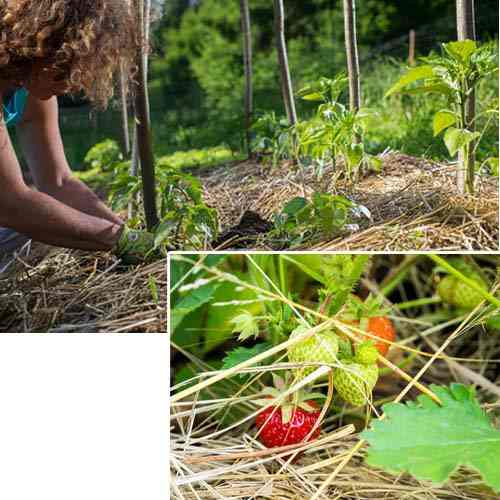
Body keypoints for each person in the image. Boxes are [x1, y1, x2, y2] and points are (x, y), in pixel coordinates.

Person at [0, 0, 155, 272]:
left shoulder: (30, 85)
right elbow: (10, 203)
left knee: (41, 231)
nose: (73, 83)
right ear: (42, 47)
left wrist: (125, 232)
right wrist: (116, 239)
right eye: (66, 67)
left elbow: (59, 182)